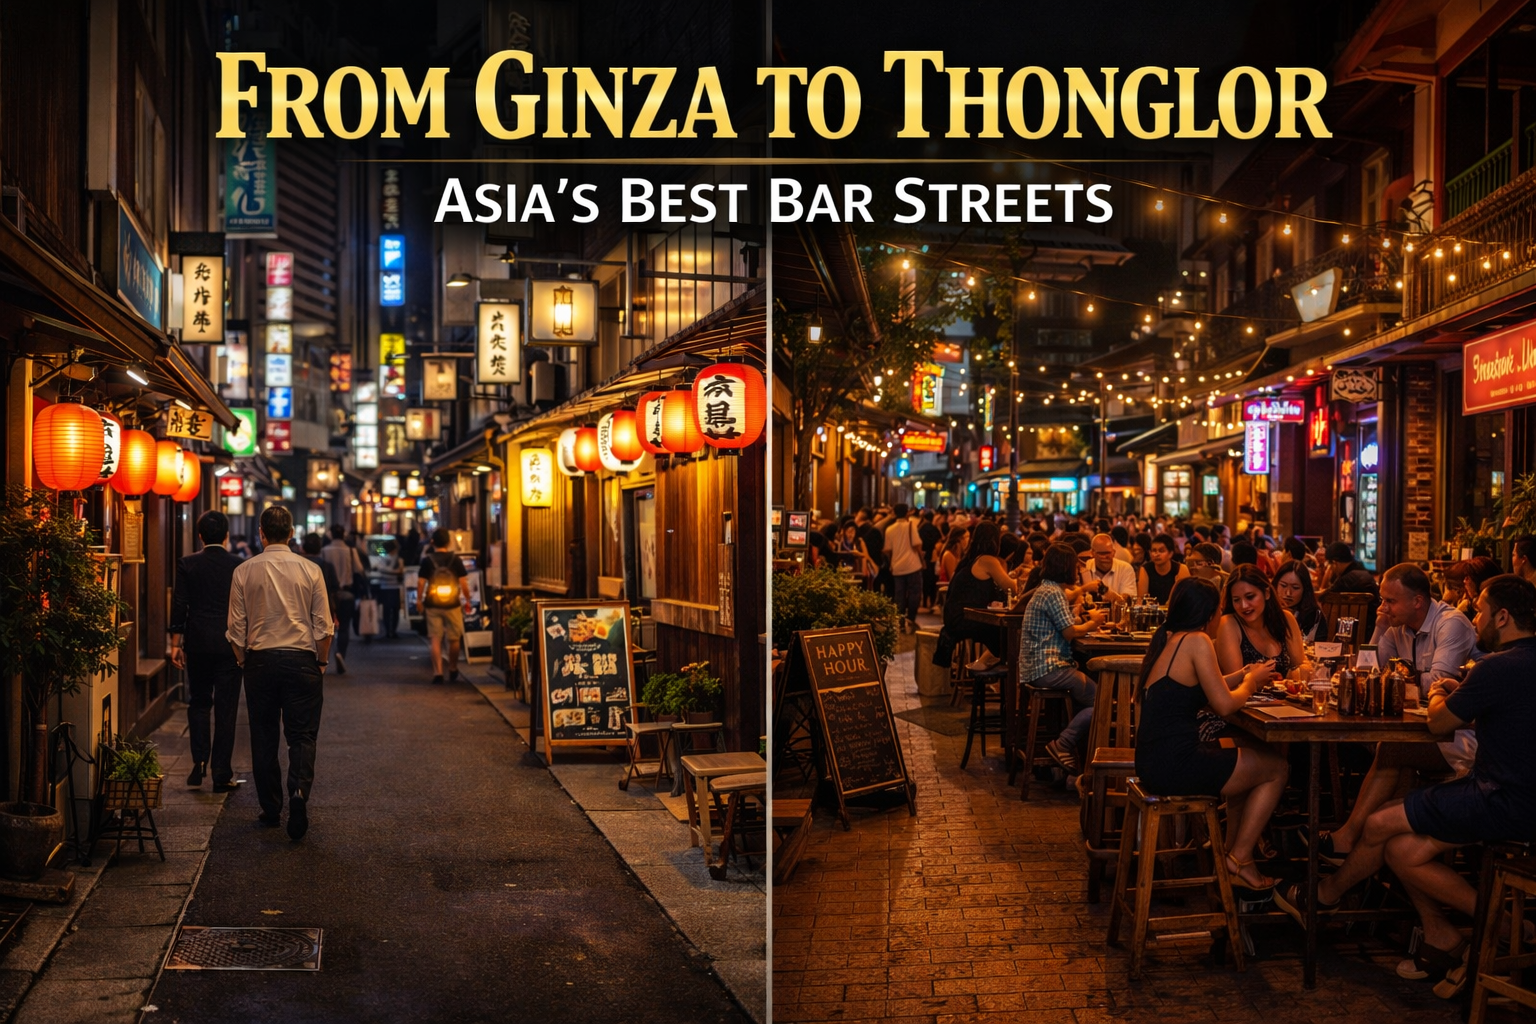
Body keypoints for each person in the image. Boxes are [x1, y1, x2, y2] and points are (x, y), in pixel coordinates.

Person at [1275, 575, 1536, 996]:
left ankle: (1325, 895)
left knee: (1379, 824)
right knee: (1401, 849)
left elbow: (1437, 722)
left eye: (1483, 611)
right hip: (1516, 796)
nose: (1477, 618)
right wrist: (1462, 694)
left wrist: (1442, 695)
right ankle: (1444, 936)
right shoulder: (1512, 665)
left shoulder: (1496, 666)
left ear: (1503, 617)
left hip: (1499, 800)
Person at [1313, 564, 1479, 868]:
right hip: (1421, 729)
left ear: (1417, 601)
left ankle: (1352, 839)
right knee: (1392, 750)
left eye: (1389, 601)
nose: (1382, 606)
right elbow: (1367, 671)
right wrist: (1379, 627)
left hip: (1461, 736)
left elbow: (1438, 683)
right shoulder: (1397, 627)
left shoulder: (1450, 624)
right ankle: (1381, 856)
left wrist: (1396, 678)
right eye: (1381, 599)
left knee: (1391, 748)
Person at [1134, 577, 1286, 895]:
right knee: (1276, 768)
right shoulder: (1197, 641)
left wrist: (1241, 674)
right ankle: (1240, 858)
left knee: (1247, 761)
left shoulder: (1169, 638)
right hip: (1176, 765)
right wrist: (1252, 682)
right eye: (1220, 609)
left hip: (1153, 762)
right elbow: (1224, 705)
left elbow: (1201, 687)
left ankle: (1231, 855)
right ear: (1209, 612)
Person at [226, 506, 332, 841]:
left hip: (259, 661)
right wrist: (322, 662)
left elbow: (234, 629)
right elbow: (324, 627)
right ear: (290, 534)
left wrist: (243, 661)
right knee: (301, 735)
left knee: (263, 734)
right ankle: (299, 793)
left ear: (261, 533)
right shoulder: (310, 570)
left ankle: (271, 808)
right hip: (302, 659)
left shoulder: (244, 571)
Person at [168, 511, 243, 792]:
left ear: (199, 535)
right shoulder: (239, 565)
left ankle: (199, 761)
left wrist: (175, 643)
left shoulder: (188, 564)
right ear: (226, 535)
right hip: (229, 645)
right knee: (226, 708)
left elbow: (180, 605)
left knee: (199, 701)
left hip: (197, 643)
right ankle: (221, 772)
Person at [1019, 542, 1106, 775]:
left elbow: (1065, 624)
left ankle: (1071, 771)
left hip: (1038, 668)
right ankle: (1063, 744)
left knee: (1088, 699)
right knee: (1102, 702)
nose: (1078, 573)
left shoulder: (1047, 589)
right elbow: (1069, 633)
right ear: (1066, 568)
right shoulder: (1053, 593)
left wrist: (1078, 619)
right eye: (1075, 568)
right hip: (1048, 668)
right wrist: (1093, 622)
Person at [938, 521, 1021, 669]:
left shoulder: (970, 559)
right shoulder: (987, 560)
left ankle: (986, 663)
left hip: (955, 617)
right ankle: (985, 665)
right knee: (1010, 633)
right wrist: (1021, 577)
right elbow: (1011, 588)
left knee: (1006, 634)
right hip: (965, 619)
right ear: (995, 541)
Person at [1216, 565, 1306, 680]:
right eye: (1236, 600)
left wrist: (1304, 670)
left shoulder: (1286, 619)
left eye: (1250, 597)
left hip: (1288, 697)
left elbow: (1299, 667)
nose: (1244, 605)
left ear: (1267, 593)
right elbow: (1236, 683)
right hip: (1247, 697)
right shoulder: (1228, 623)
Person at [418, 527, 471, 686]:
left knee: (435, 638)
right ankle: (453, 667)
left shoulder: (427, 560)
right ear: (448, 541)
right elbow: (463, 582)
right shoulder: (455, 559)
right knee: (454, 638)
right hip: (452, 603)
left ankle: (438, 673)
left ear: (432, 542)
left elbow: (421, 582)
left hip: (433, 603)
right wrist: (467, 600)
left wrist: (419, 600)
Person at [320, 525, 366, 674]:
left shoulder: (325, 551)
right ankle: (341, 654)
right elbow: (359, 569)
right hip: (346, 593)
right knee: (345, 626)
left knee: (328, 626)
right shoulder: (351, 551)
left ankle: (324, 658)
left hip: (328, 594)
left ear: (331, 535)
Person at [885, 504, 925, 634]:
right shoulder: (911, 526)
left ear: (894, 513)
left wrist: (892, 562)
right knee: (915, 593)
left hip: (897, 567)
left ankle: (901, 623)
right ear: (907, 513)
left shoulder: (889, 529)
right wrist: (922, 559)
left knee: (899, 596)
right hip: (912, 565)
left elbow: (887, 550)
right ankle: (911, 620)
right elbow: (917, 545)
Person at [1272, 560, 1323, 642]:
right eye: (1283, 586)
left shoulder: (1313, 615)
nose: (1288, 593)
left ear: (1305, 590)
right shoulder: (1265, 609)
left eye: (1295, 587)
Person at [1080, 533, 1136, 606]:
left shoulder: (1125, 568)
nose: (1106, 556)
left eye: (1108, 553)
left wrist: (1106, 592)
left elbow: (1128, 598)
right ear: (1092, 553)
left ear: (1114, 552)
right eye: (1101, 553)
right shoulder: (1085, 568)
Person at [1137, 534, 1189, 604]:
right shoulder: (1145, 569)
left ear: (1170, 553)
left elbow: (1186, 598)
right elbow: (1141, 599)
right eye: (1154, 551)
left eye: (1161, 551)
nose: (1157, 554)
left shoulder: (1181, 569)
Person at [374, 538, 404, 640]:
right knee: (392, 610)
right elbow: (398, 571)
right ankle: (391, 631)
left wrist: (392, 572)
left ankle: (390, 631)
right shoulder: (394, 559)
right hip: (391, 587)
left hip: (387, 587)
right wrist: (396, 572)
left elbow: (382, 570)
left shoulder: (385, 559)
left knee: (390, 610)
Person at [918, 510, 942, 612]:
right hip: (933, 556)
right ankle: (932, 601)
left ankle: (924, 602)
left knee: (925, 581)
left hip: (923, 557)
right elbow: (939, 540)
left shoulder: (921, 528)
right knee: (932, 581)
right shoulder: (934, 529)